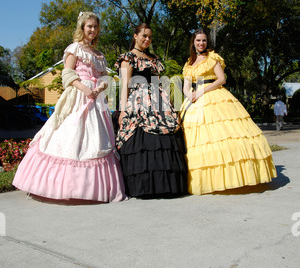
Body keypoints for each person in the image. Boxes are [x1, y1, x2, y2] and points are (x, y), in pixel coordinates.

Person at [13, 12, 126, 204]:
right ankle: (59, 186)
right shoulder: (74, 48)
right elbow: (67, 74)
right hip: (77, 97)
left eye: (96, 27)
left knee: (95, 140)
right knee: (69, 137)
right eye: (89, 26)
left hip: (96, 100)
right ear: (82, 27)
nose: (93, 30)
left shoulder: (99, 54)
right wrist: (85, 89)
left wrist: (100, 86)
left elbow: (105, 77)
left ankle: (89, 189)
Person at [181, 29, 277, 195]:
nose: (201, 43)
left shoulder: (213, 57)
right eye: (198, 41)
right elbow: (186, 86)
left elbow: (221, 79)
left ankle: (233, 176)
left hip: (214, 94)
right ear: (193, 42)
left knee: (225, 134)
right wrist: (190, 95)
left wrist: (202, 91)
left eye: (204, 40)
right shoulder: (189, 62)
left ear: (207, 42)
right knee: (199, 140)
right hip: (194, 100)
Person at [115, 23, 188, 198]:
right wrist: (123, 110)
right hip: (138, 101)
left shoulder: (154, 59)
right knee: (143, 142)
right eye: (144, 36)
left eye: (150, 37)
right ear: (135, 36)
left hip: (159, 100)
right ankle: (144, 185)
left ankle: (167, 184)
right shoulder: (128, 58)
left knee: (166, 139)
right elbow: (125, 85)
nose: (147, 39)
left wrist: (170, 105)